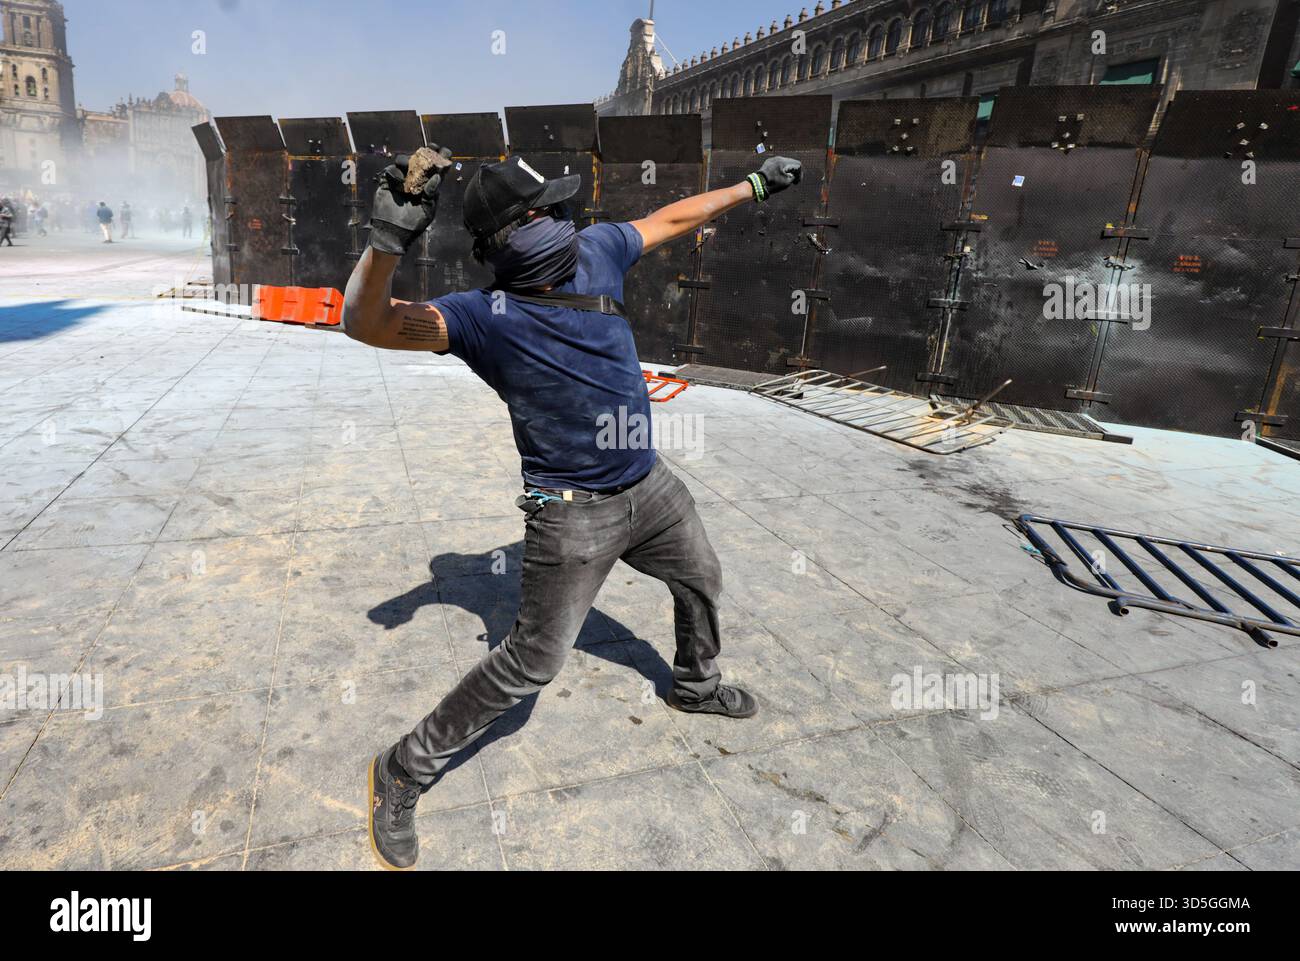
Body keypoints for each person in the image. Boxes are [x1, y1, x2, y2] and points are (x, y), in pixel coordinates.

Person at [341, 145, 803, 870]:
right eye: (543, 212)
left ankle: (695, 682)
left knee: (702, 576)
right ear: (503, 242)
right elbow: (366, 323)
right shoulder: (480, 317)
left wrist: (750, 186)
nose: (563, 218)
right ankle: (401, 768)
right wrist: (384, 244)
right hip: (571, 514)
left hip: (649, 487)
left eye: (559, 207)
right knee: (533, 661)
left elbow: (671, 217)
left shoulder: (599, 251)